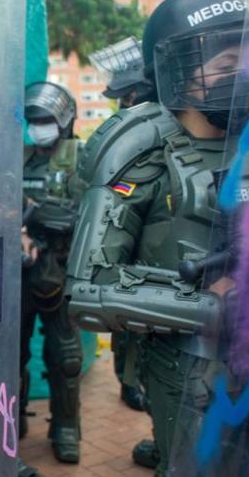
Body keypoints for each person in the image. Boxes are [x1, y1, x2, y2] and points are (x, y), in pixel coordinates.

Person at [64, 0, 249, 476]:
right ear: (180, 71)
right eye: (226, 67)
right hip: (189, 363)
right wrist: (213, 305)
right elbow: (89, 287)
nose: (242, 77)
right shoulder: (140, 147)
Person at [89, 37, 153, 415]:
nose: (122, 103)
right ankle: (129, 382)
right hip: (126, 230)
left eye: (127, 96)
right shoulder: (128, 131)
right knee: (126, 317)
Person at [19, 81, 82, 464]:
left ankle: (66, 428)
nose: (38, 126)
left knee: (66, 356)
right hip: (20, 269)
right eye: (32, 120)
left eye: (44, 119)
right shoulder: (20, 156)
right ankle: (10, 421)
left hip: (59, 268)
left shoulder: (80, 157)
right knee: (11, 353)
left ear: (63, 121)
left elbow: (75, 215)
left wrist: (30, 208)